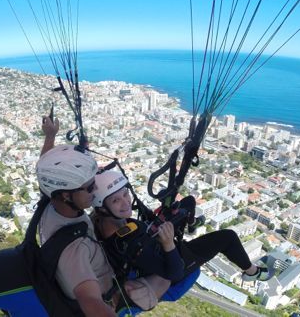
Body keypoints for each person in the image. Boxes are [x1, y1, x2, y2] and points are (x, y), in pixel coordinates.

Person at [37, 117, 170, 315]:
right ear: (67, 194)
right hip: (110, 293)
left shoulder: (52, 201)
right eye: (90, 187)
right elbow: (90, 301)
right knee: (170, 275)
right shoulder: (74, 250)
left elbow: (47, 169)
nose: (96, 190)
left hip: (97, 260)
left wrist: (50, 136)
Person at [91, 170, 272, 286]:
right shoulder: (128, 244)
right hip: (173, 259)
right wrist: (169, 244)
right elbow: (174, 274)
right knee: (228, 237)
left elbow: (136, 228)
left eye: (125, 194)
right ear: (102, 207)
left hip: (153, 237)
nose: (126, 203)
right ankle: (252, 272)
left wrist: (154, 221)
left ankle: (192, 225)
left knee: (188, 202)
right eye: (116, 200)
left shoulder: (104, 220)